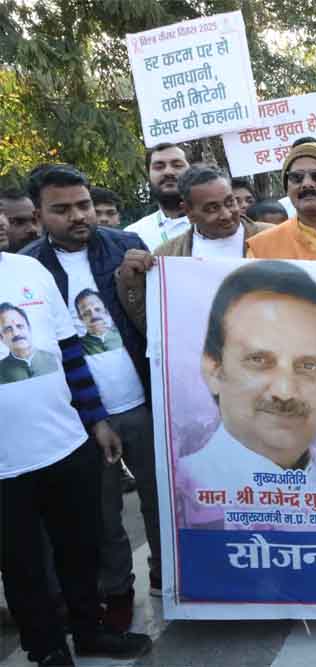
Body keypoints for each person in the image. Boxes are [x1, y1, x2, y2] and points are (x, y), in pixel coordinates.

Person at [0, 214, 153, 666]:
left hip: (67, 444)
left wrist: (96, 421)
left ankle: (90, 631)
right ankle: (46, 649)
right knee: (23, 563)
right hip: (6, 465)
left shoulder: (30, 269)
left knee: (81, 549)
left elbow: (69, 353)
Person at [19, 164, 162, 628]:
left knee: (161, 500)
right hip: (82, 417)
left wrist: (146, 272)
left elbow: (159, 316)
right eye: (62, 209)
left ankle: (167, 577)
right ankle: (117, 592)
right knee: (102, 516)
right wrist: (92, 416)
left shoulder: (126, 246)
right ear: (39, 216)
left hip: (143, 402)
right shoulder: (30, 268)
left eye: (83, 205)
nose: (78, 216)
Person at [174, 260, 316, 532]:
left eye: (309, 366)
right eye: (259, 360)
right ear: (214, 371)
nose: (285, 392)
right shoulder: (181, 486)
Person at [114, 167, 275, 335]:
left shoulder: (273, 236)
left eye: (230, 202)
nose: (226, 215)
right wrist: (131, 281)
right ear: (188, 212)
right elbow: (156, 325)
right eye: (212, 208)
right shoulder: (168, 255)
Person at [123, 142, 190, 251]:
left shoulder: (216, 225)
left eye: (177, 165)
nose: (168, 172)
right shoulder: (133, 235)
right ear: (148, 175)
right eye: (159, 167)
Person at [0, 302, 60, 382]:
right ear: (1, 338)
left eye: (19, 326)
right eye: (8, 329)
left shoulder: (52, 358)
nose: (16, 333)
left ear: (29, 328)